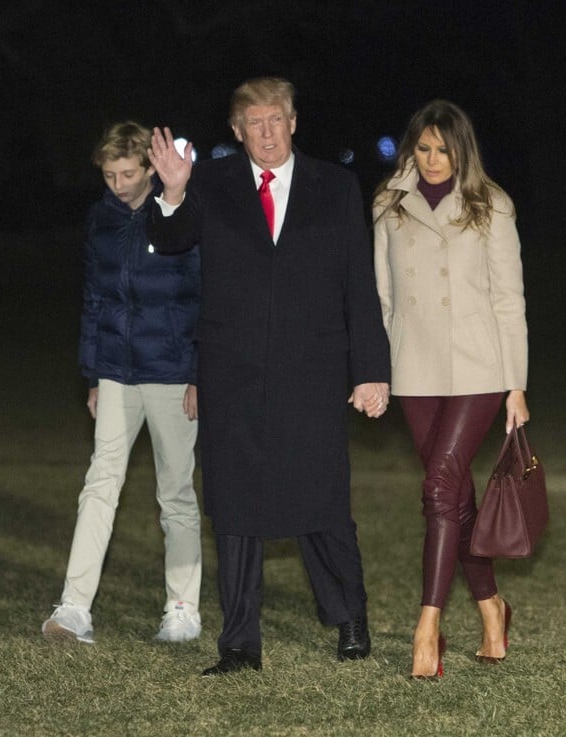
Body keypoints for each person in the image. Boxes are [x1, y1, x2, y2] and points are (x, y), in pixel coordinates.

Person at [147, 77, 391, 675]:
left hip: (313, 371)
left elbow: (359, 285)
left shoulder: (334, 186)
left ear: (293, 122)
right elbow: (171, 241)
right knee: (235, 508)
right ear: (236, 130)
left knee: (321, 498)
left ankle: (350, 619)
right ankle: (239, 643)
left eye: (276, 119)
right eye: (253, 122)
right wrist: (173, 194)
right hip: (232, 373)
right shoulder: (212, 184)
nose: (266, 132)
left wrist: (371, 371)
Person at [372, 99, 530, 678]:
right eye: (422, 147)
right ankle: (492, 607)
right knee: (455, 499)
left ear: (462, 149)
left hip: (478, 369)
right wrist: (378, 370)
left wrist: (516, 384)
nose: (433, 159)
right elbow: (383, 299)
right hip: (416, 369)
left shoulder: (492, 205)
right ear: (410, 149)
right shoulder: (389, 207)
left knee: (439, 484)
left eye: (443, 148)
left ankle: (427, 628)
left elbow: (508, 300)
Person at [42, 121, 203, 645]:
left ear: (151, 167)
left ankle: (182, 608)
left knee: (175, 492)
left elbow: (205, 297)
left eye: (127, 173)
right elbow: (94, 299)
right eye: (109, 174)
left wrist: (200, 373)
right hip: (115, 369)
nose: (118, 183)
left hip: (173, 370)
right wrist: (93, 375)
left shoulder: (181, 215)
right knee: (99, 483)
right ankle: (73, 608)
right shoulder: (100, 219)